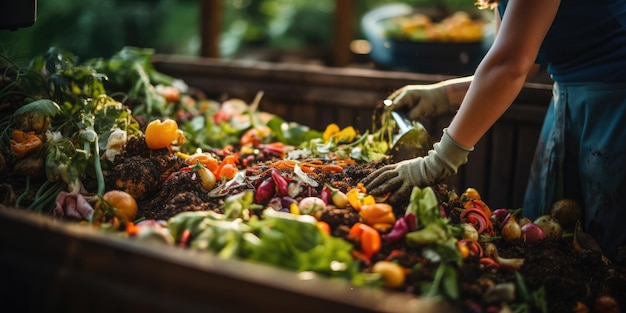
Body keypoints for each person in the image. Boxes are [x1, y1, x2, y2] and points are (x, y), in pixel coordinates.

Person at [362, 0, 626, 261]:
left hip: (615, 106)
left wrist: (438, 162)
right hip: (568, 104)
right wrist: (443, 94)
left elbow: (510, 66)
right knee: (556, 243)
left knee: (608, 250)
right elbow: (518, 61)